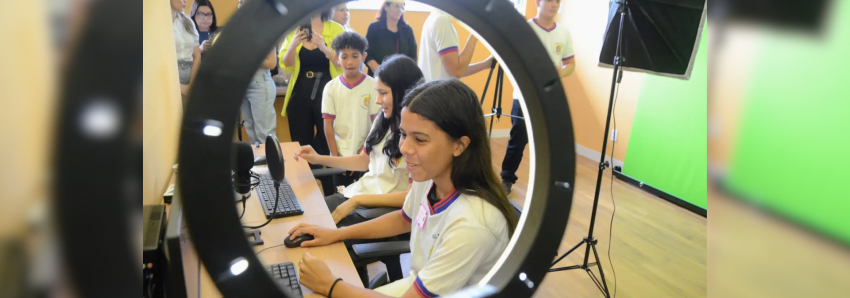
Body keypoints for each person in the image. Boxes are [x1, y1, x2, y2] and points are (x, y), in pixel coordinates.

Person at [289, 79, 518, 298]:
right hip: (419, 286)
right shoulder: (429, 176)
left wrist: (330, 285)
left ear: (459, 145)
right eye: (403, 135)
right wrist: (335, 234)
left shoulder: (474, 222)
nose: (404, 148)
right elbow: (403, 219)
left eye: (420, 140)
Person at [295, 55, 421, 227]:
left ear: (403, 91)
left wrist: (357, 201)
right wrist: (318, 158)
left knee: (319, 229)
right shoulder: (383, 120)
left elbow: (411, 196)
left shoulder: (418, 135)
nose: (377, 100)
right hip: (362, 194)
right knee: (307, 212)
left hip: (384, 208)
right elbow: (363, 161)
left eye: (383, 93)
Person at [501, 0, 576, 194]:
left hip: (549, 98)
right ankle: (507, 178)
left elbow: (570, 64)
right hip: (524, 96)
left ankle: (543, 183)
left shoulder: (564, 33)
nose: (554, 4)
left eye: (558, 1)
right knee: (518, 139)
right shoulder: (525, 29)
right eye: (550, 0)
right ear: (538, 2)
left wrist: (561, 72)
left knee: (547, 142)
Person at [280, 11, 345, 195]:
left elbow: (343, 62)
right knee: (300, 147)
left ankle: (331, 194)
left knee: (327, 145)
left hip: (327, 95)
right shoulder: (293, 28)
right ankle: (304, 195)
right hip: (300, 95)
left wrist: (323, 46)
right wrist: (293, 44)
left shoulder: (336, 28)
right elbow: (286, 64)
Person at [321, 32, 378, 188]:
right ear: (337, 59)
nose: (349, 61)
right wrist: (335, 157)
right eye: (344, 57)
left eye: (354, 56)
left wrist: (360, 154)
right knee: (341, 195)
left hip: (366, 155)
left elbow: (375, 125)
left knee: (364, 199)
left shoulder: (373, 85)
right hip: (340, 156)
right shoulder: (331, 88)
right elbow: (328, 126)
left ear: (363, 57)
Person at [418, 9, 492, 81]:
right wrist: (475, 34)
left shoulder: (433, 18)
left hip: (434, 90)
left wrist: (486, 64)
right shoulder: (442, 21)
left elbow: (455, 70)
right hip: (440, 92)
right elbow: (457, 71)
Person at [364, 0, 417, 77]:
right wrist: (382, 72)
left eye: (402, 7)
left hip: (401, 78)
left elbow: (413, 58)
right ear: (386, 6)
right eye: (396, 6)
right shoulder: (374, 28)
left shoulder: (407, 30)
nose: (400, 10)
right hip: (377, 77)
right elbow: (367, 55)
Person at [171, 0, 201, 102]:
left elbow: (197, 56)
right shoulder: (158, 24)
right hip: (170, 75)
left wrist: (191, 86)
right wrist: (178, 87)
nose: (185, 0)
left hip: (190, 72)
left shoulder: (188, 22)